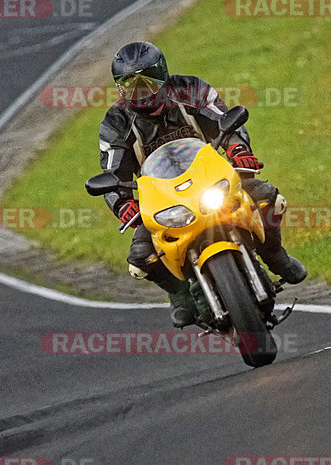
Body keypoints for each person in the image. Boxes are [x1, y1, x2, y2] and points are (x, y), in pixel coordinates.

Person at [98, 41, 306, 327]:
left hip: (211, 178)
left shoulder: (190, 90)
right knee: (140, 259)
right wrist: (122, 203)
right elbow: (112, 173)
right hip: (163, 199)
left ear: (163, 73)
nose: (142, 90)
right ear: (120, 88)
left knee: (269, 199)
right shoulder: (115, 121)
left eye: (148, 79)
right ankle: (181, 294)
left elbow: (225, 121)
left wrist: (238, 149)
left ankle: (274, 254)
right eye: (131, 84)